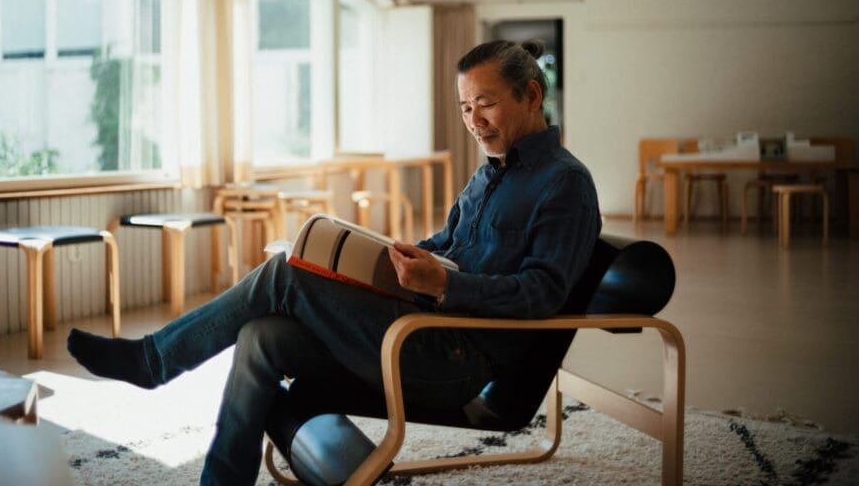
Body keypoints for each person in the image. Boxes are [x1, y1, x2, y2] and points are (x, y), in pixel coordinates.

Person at [67, 39, 601, 485]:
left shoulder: (564, 184)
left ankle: (154, 361)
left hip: (454, 360)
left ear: (531, 95)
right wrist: (396, 257)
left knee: (284, 273)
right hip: (416, 330)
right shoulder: (489, 173)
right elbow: (447, 243)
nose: (473, 120)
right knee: (262, 335)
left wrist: (444, 285)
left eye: (485, 103)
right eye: (464, 107)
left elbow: (541, 294)